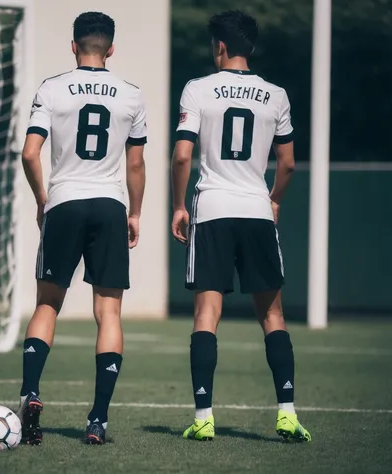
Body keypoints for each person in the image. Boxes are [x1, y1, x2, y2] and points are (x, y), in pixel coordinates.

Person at [171, 10, 311, 443]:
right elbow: (287, 163)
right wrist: (273, 200)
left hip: (212, 209)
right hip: (255, 211)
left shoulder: (197, 89)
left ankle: (204, 416)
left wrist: (179, 206)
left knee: (206, 315)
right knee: (273, 315)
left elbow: (181, 156)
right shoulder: (277, 95)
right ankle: (287, 413)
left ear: (221, 47)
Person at [17, 11, 147, 446]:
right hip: (111, 205)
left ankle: (31, 393)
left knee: (48, 305)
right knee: (108, 313)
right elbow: (135, 162)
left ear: (73, 46)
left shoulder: (52, 88)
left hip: (66, 202)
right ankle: (97, 420)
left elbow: (30, 153)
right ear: (111, 49)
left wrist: (42, 199)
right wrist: (135, 212)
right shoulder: (131, 95)